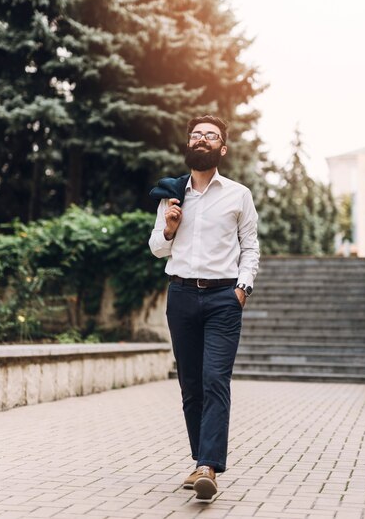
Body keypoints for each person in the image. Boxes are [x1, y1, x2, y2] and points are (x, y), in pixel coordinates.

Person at [149, 115, 260, 502]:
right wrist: (169, 227)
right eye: (196, 134)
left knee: (215, 380)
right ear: (189, 144)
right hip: (180, 296)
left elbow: (250, 246)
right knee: (191, 387)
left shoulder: (238, 195)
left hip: (222, 300)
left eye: (210, 135)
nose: (201, 139)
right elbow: (157, 248)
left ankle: (208, 467)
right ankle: (201, 462)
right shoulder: (172, 194)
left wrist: (242, 288)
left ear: (222, 149)